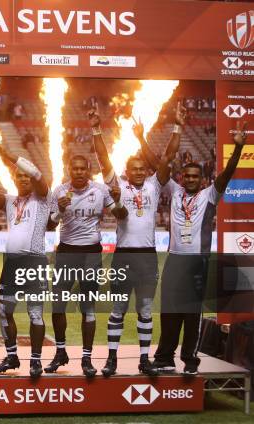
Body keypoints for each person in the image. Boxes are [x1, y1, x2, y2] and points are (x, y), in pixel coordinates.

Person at [88, 104, 185, 377]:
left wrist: (177, 126)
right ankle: (111, 360)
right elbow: (103, 159)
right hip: (123, 255)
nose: (140, 172)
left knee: (144, 309)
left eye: (143, 168)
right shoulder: (117, 185)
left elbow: (168, 156)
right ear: (127, 171)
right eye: (135, 169)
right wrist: (96, 128)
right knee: (118, 309)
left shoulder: (155, 184)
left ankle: (144, 360)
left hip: (147, 256)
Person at [153, 122, 248, 375]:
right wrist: (141, 138)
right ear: (181, 178)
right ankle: (164, 358)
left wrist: (238, 148)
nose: (191, 179)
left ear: (203, 178)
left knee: (191, 313)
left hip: (197, 261)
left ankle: (190, 361)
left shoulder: (209, 195)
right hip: (174, 259)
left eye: (196, 176)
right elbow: (159, 164)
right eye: (188, 176)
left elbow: (227, 173)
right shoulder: (174, 191)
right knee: (169, 310)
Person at [46, 155, 125, 378]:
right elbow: (49, 225)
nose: (79, 172)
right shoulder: (59, 191)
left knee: (87, 308)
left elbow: (120, 215)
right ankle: (60, 352)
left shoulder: (100, 190)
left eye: (83, 168)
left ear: (88, 170)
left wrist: (119, 200)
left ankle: (87, 358)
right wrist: (59, 211)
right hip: (66, 252)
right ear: (69, 168)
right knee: (58, 305)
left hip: (91, 253)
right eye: (75, 168)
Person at [0, 141, 52, 377]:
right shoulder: (10, 201)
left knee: (34, 313)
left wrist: (6, 154)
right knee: (4, 310)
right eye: (18, 176)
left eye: (26, 176)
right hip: (11, 262)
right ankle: (11, 356)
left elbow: (38, 174)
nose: (23, 179)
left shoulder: (43, 199)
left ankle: (36, 361)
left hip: (34, 261)